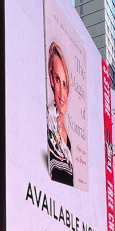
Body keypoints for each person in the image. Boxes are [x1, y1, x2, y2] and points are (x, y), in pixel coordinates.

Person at [46, 42, 74, 186]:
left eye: (64, 84)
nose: (62, 94)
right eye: (57, 79)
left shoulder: (68, 137)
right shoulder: (47, 124)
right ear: (51, 79)